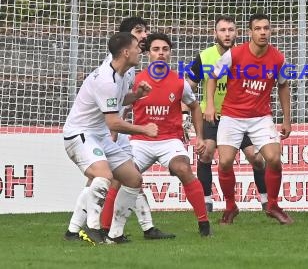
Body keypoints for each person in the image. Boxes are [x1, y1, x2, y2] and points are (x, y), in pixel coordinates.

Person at [64, 17, 174, 241]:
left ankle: (114, 232)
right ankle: (94, 228)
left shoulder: (126, 70)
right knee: (102, 176)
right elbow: (112, 121)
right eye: (138, 37)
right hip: (81, 134)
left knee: (133, 179)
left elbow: (118, 101)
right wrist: (144, 129)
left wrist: (136, 96)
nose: (142, 41)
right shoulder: (106, 78)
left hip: (101, 134)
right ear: (125, 50)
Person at [204, 13, 293, 225]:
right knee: (224, 162)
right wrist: (209, 104)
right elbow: (212, 77)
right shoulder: (234, 54)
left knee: (273, 159)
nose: (263, 32)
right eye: (258, 28)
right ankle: (230, 206)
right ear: (250, 32)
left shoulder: (278, 58)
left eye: (266, 28)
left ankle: (272, 205)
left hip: (261, 117)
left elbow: (283, 86)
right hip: (232, 116)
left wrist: (287, 119)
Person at [131, 33, 211, 237]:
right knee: (124, 176)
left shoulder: (179, 82)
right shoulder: (135, 80)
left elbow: (194, 107)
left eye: (165, 50)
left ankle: (204, 226)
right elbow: (120, 108)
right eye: (156, 49)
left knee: (183, 169)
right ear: (148, 53)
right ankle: (110, 228)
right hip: (140, 140)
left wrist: (199, 137)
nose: (161, 54)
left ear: (170, 53)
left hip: (170, 140)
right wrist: (115, 135)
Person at [186, 15, 268, 212]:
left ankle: (266, 200)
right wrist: (185, 113)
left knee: (256, 158)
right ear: (215, 33)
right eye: (222, 30)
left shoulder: (246, 55)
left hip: (241, 116)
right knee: (205, 154)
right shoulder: (204, 56)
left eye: (231, 30)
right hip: (212, 117)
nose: (227, 34)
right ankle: (206, 200)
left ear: (237, 33)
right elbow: (188, 88)